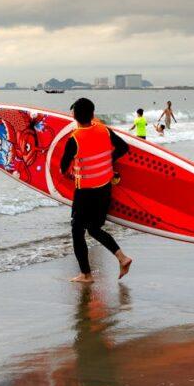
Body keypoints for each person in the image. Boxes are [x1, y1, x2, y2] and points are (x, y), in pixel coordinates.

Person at [60, 98, 133, 282]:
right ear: (93, 114)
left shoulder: (74, 139)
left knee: (77, 230)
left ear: (74, 116)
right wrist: (108, 159)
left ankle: (86, 274)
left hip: (85, 193)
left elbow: (62, 168)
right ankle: (122, 258)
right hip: (104, 189)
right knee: (93, 228)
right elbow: (124, 147)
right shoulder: (104, 130)